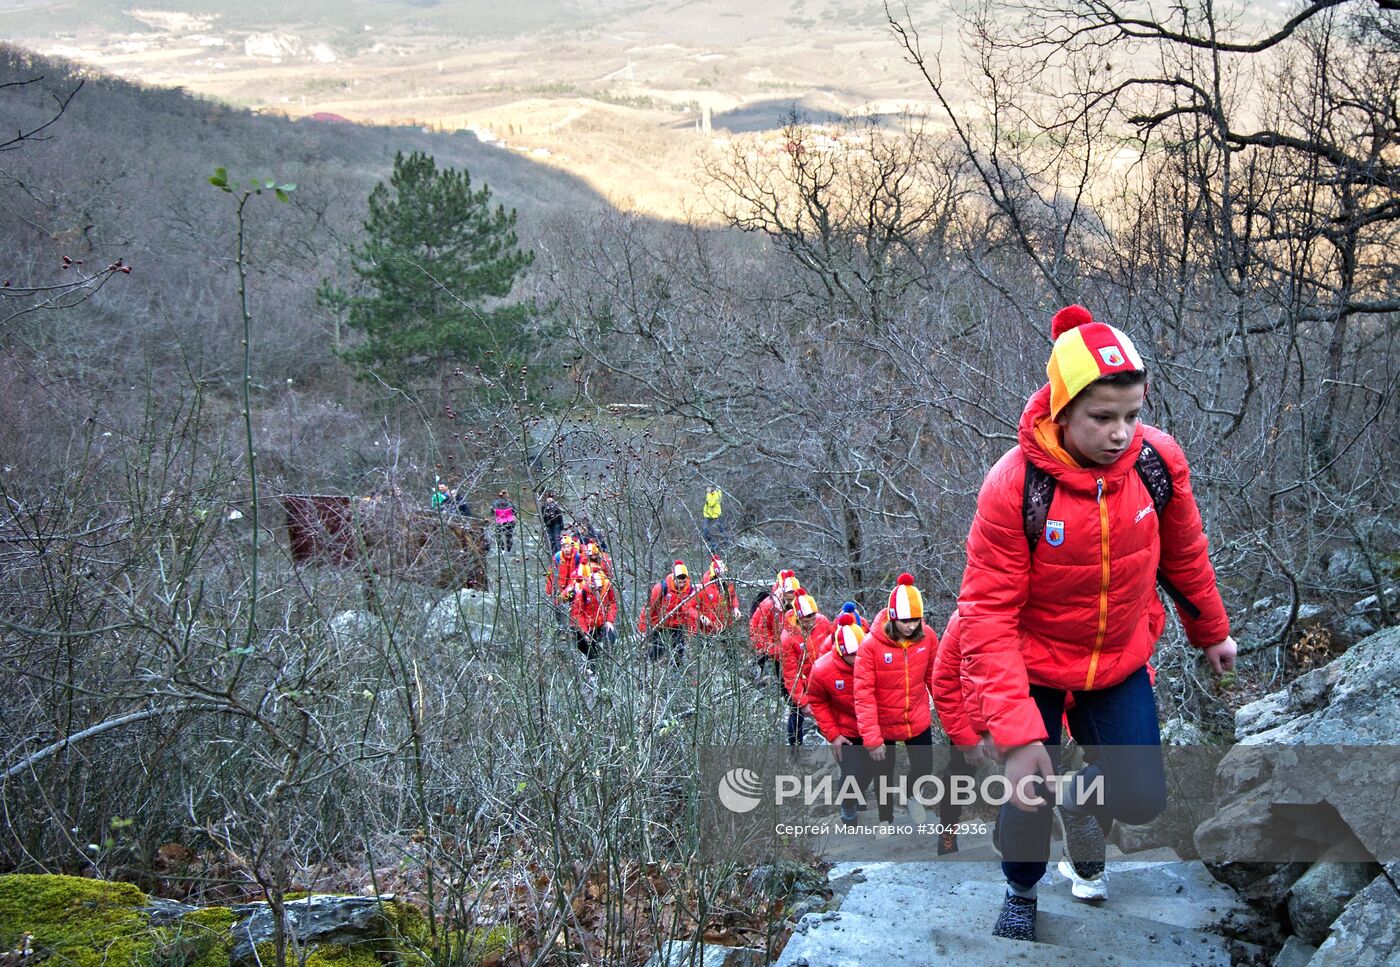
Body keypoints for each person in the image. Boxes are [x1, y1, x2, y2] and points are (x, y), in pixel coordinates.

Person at [957, 305, 1237, 942]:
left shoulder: (1155, 465)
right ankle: (1021, 889)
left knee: (1141, 797)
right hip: (1032, 662)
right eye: (1102, 418)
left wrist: (1210, 630)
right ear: (1061, 411)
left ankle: (1083, 805)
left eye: (1132, 415)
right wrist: (1018, 730)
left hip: (1118, 657)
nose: (1121, 433)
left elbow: (1185, 555)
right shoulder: (1015, 486)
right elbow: (987, 613)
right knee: (1027, 789)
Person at [853, 573, 938, 829]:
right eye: (904, 621)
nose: (911, 626)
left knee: (925, 766)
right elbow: (863, 693)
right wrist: (872, 738)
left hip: (917, 716)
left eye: (915, 620)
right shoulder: (870, 646)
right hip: (884, 722)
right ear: (892, 617)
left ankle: (913, 795)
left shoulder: (928, 638)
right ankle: (885, 819)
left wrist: (948, 713)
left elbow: (936, 677)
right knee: (883, 775)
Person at [805, 612, 873, 822]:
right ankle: (848, 804)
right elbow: (817, 701)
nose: (860, 658)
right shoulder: (823, 669)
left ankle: (855, 794)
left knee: (868, 772)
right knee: (852, 771)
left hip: (870, 728)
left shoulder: (872, 660)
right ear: (842, 652)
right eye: (855, 655)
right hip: (845, 731)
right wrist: (833, 735)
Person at [779, 588, 831, 747]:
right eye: (806, 618)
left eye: (813, 616)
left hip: (824, 679)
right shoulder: (788, 638)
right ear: (797, 616)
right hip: (801, 682)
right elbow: (790, 674)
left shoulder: (823, 622)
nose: (811, 621)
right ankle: (795, 747)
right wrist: (803, 702)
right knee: (796, 715)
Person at [638, 560, 699, 664]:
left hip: (676, 624)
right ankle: (649, 666)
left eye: (684, 582)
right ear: (673, 578)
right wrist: (642, 629)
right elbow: (648, 608)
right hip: (659, 624)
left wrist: (691, 631)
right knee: (658, 649)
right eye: (679, 582)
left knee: (679, 650)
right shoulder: (661, 588)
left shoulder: (689, 590)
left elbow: (689, 612)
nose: (682, 584)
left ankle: (676, 673)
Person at [563, 564, 618, 664]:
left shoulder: (607, 587)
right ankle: (591, 668)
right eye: (595, 589)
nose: (597, 591)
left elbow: (612, 603)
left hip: (602, 624)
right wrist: (585, 632)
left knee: (610, 640)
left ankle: (607, 662)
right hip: (588, 627)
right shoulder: (582, 593)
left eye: (599, 589)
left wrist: (609, 621)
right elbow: (578, 614)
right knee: (587, 649)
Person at [749, 569, 799, 678]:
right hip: (766, 636)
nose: (792, 598)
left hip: (784, 641)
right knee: (771, 661)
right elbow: (760, 630)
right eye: (789, 594)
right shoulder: (769, 605)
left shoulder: (800, 602)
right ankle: (755, 673)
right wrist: (774, 649)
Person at [695, 555, 741, 635]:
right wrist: (700, 616)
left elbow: (732, 596)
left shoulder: (727, 582)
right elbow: (690, 606)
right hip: (708, 627)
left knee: (728, 645)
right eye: (721, 575)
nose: (723, 577)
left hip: (726, 624)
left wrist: (735, 608)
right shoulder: (703, 586)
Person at [702, 486, 725, 551]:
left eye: (709, 488)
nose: (707, 489)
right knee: (705, 530)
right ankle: (713, 544)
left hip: (715, 514)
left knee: (720, 528)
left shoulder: (716, 494)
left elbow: (711, 503)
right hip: (708, 514)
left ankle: (726, 541)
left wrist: (709, 493)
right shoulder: (710, 494)